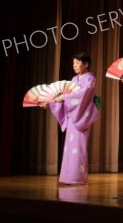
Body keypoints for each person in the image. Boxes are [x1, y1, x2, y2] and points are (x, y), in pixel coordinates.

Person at [42, 52, 99, 185]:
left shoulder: (90, 78)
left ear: (85, 64)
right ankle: (68, 177)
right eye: (73, 63)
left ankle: (78, 178)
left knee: (79, 147)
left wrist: (65, 97)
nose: (74, 66)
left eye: (77, 63)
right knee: (70, 148)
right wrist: (50, 103)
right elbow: (66, 96)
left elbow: (83, 95)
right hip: (72, 116)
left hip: (81, 116)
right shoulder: (73, 80)